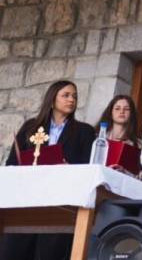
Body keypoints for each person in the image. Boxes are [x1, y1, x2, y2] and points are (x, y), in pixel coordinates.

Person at [3, 80, 96, 260]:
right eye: (66, 95)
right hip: (26, 200)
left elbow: (88, 167)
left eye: (74, 96)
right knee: (13, 251)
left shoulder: (84, 131)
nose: (71, 100)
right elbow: (12, 163)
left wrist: (70, 169)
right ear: (52, 99)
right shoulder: (30, 127)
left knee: (50, 253)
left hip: (60, 203)